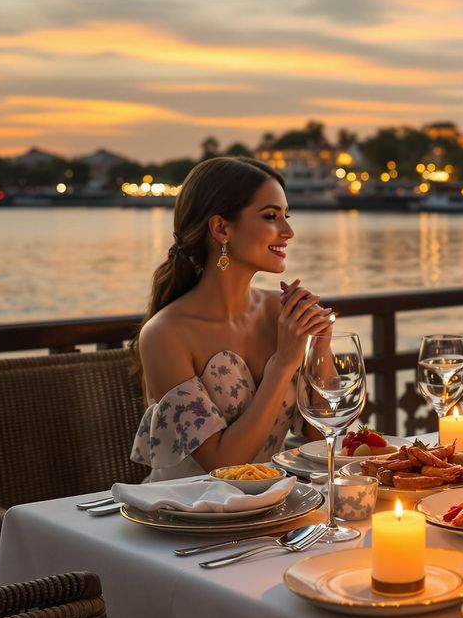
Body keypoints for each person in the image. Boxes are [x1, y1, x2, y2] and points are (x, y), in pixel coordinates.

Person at [130, 156, 334, 481]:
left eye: (286, 216)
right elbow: (221, 466)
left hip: (271, 505)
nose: (289, 231)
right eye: (271, 216)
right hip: (189, 515)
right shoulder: (166, 334)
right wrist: (283, 364)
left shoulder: (281, 315)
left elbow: (324, 442)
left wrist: (319, 343)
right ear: (221, 228)